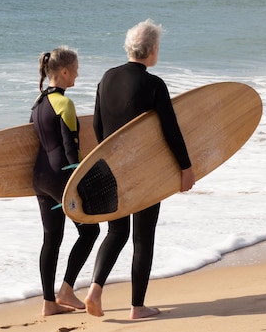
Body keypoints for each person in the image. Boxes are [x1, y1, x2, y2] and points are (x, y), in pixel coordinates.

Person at [84, 19, 196, 320]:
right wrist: (185, 168)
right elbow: (171, 130)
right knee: (143, 237)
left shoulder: (106, 78)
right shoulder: (154, 84)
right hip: (144, 172)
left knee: (116, 230)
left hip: (109, 168)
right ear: (153, 50)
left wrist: (108, 160)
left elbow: (97, 125)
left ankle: (95, 289)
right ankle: (137, 307)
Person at [30, 46, 100, 316]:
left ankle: (49, 302)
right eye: (77, 71)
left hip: (40, 179)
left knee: (52, 239)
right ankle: (67, 290)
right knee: (90, 231)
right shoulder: (65, 104)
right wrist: (82, 180)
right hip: (61, 177)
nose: (77, 76)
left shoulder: (37, 104)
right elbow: (72, 149)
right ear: (64, 71)